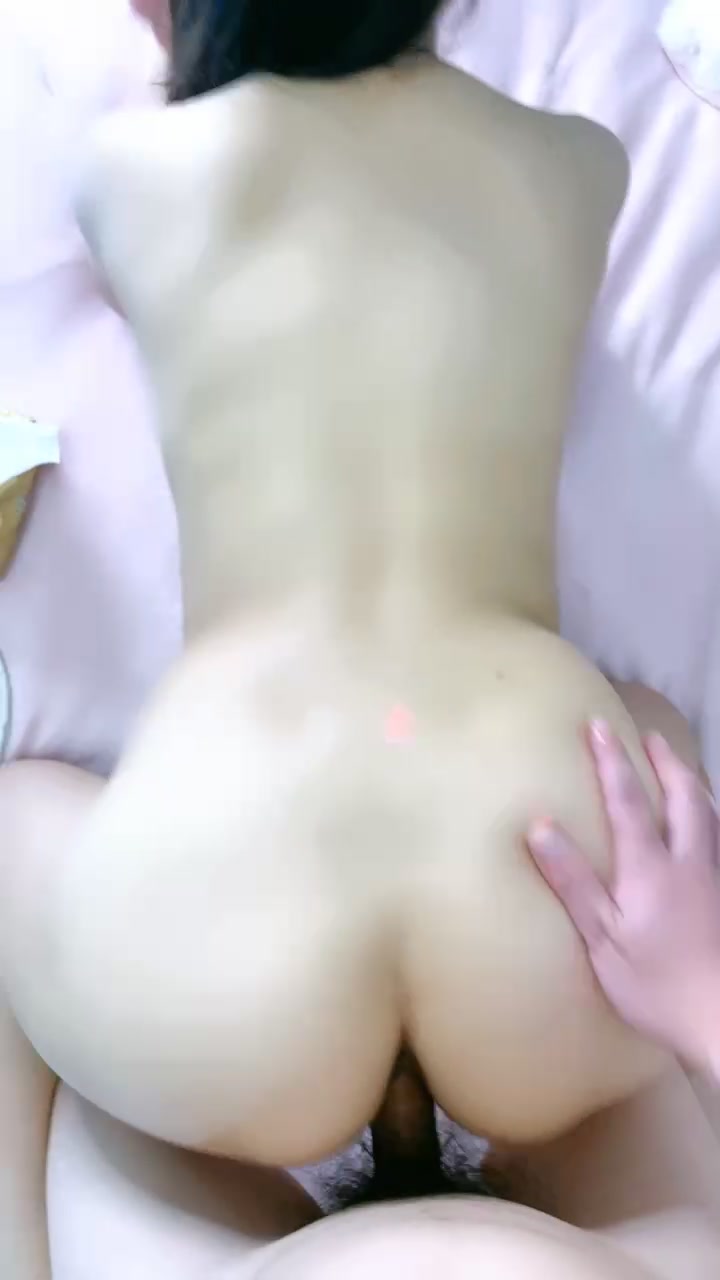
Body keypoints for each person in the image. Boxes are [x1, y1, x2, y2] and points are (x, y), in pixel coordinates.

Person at [1, 0, 716, 1276]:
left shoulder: (130, 169)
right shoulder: (578, 163)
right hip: (554, 902)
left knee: (14, 821)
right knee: (646, 729)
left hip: (232, 910)